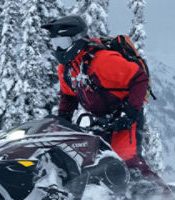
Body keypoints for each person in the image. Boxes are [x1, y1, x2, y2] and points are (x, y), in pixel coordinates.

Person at [43, 14, 149, 164]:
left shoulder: (102, 60)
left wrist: (130, 113)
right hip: (100, 120)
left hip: (124, 115)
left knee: (127, 160)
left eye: (63, 43)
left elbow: (139, 78)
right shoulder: (66, 69)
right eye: (55, 44)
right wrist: (62, 121)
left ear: (77, 39)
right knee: (99, 163)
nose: (58, 49)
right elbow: (69, 97)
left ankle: (156, 188)